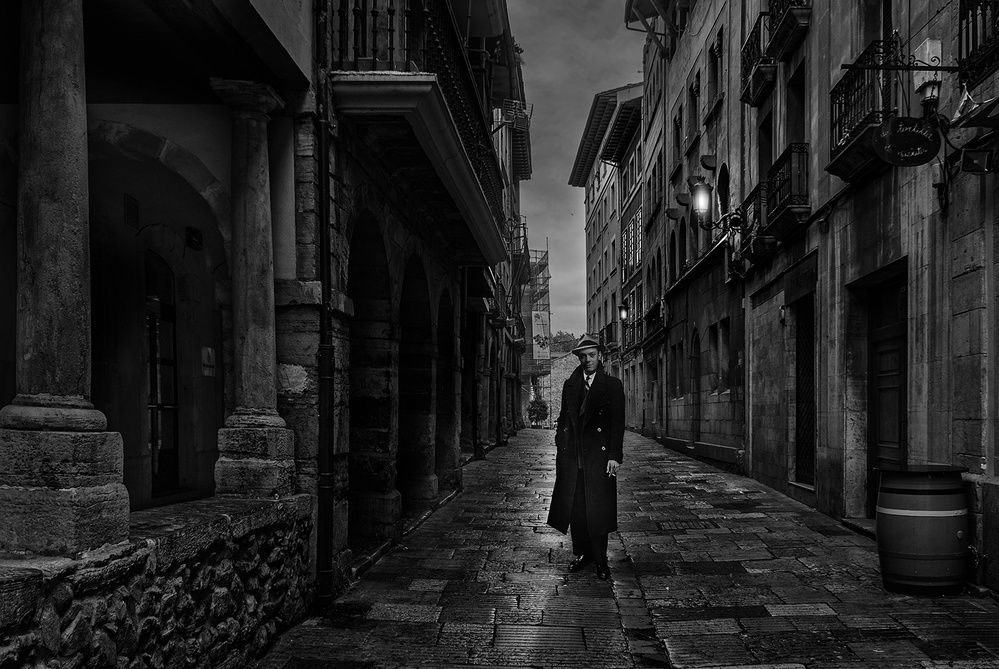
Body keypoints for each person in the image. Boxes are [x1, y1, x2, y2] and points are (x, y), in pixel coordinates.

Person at [546, 334, 625, 580]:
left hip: (599, 459)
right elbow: (563, 418)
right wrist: (561, 441)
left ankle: (601, 560)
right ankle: (582, 553)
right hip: (573, 457)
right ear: (578, 359)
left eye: (591, 355)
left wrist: (614, 455)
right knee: (576, 508)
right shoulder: (570, 384)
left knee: (598, 510)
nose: (588, 360)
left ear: (599, 356)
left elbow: (617, 424)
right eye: (583, 356)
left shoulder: (612, 386)